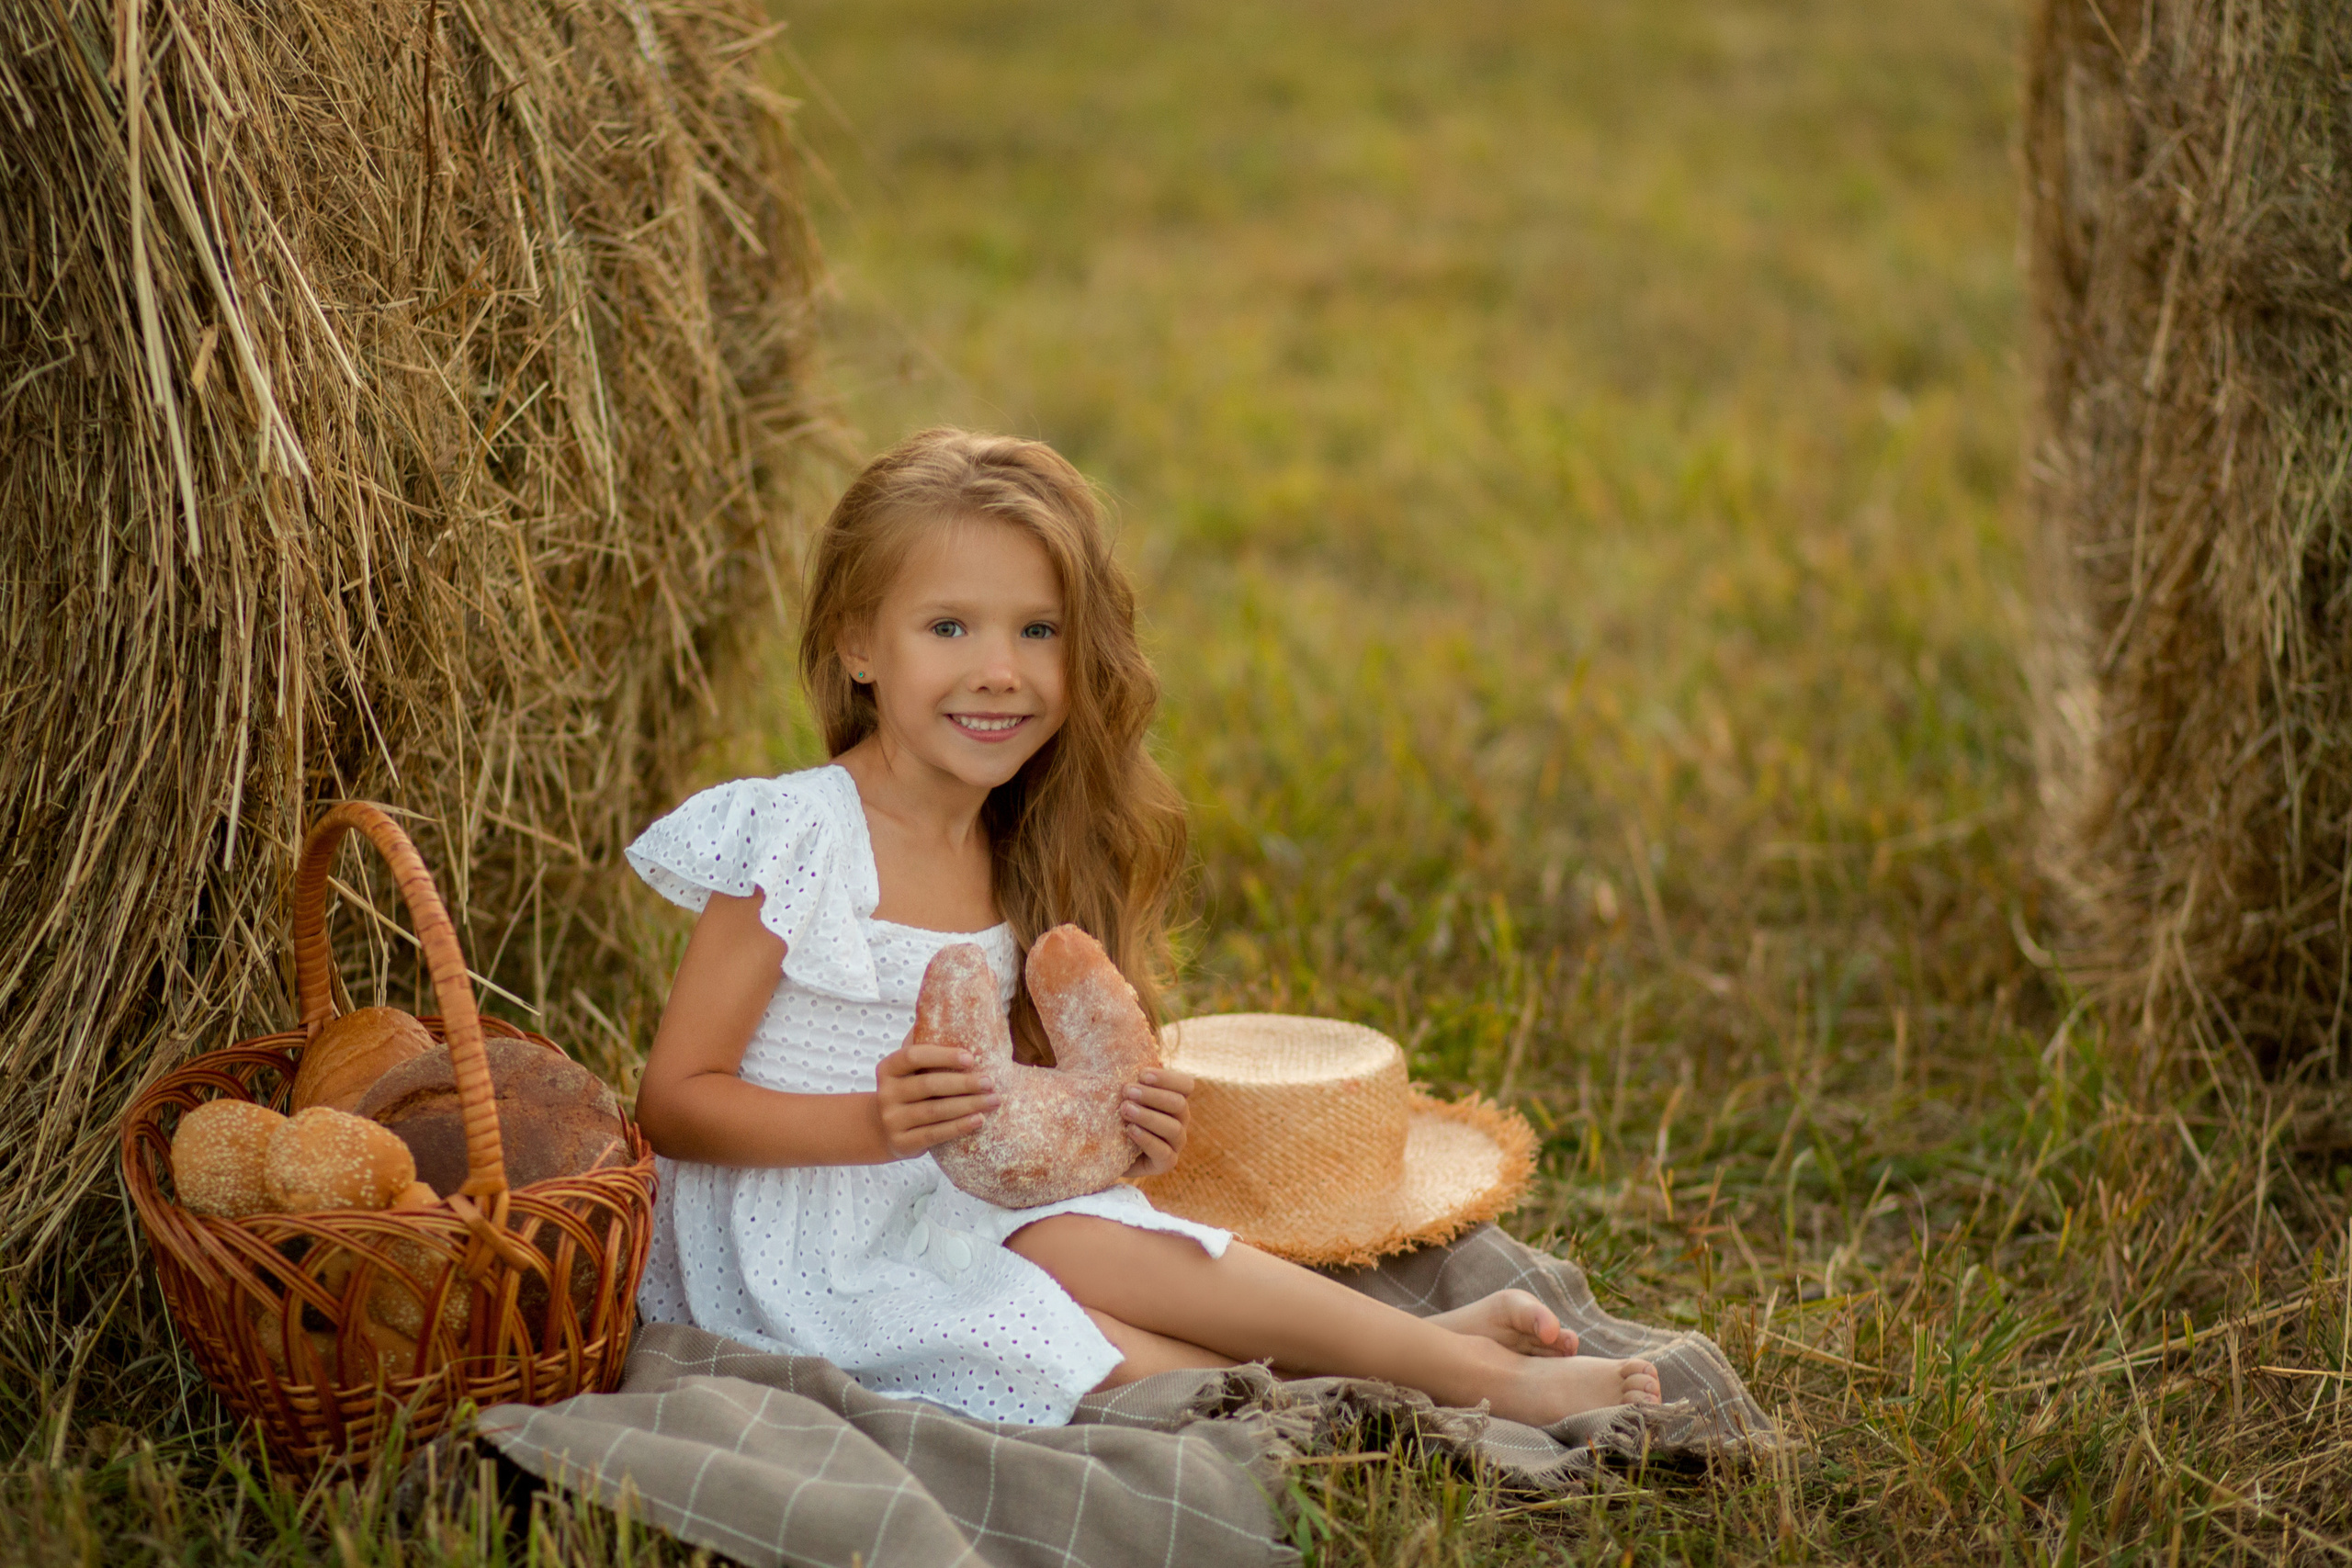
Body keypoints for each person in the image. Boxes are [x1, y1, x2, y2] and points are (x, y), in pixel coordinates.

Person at [626, 427, 1662, 1427]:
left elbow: (1021, 1100)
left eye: (1038, 631)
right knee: (1086, 1348)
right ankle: (1444, 1373)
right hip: (807, 1242)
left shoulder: (1016, 844)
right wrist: (875, 1126)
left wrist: (1115, 1134)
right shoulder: (801, 834)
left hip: (958, 1203)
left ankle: (1431, 1356)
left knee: (1121, 1242)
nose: (1000, 669)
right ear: (859, 644)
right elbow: (672, 1103)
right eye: (948, 628)